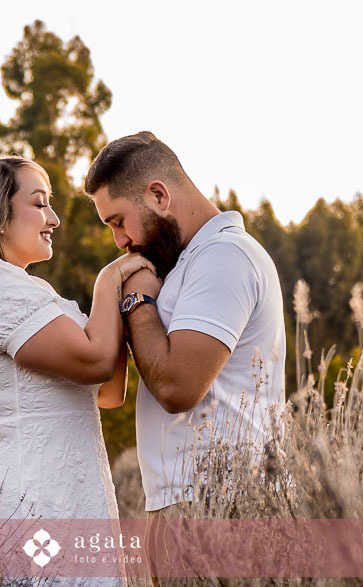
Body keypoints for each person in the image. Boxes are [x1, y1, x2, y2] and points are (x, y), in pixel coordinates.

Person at [0, 156, 152, 528]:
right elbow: (96, 362)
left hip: (72, 494)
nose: (54, 219)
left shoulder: (34, 292)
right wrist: (110, 279)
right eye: (40, 203)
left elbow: (109, 392)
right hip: (29, 503)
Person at [84, 131, 287, 520]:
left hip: (221, 505)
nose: (119, 239)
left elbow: (178, 387)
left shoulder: (224, 256)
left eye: (119, 221)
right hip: (195, 502)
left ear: (159, 195)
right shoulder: (189, 263)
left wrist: (137, 299)